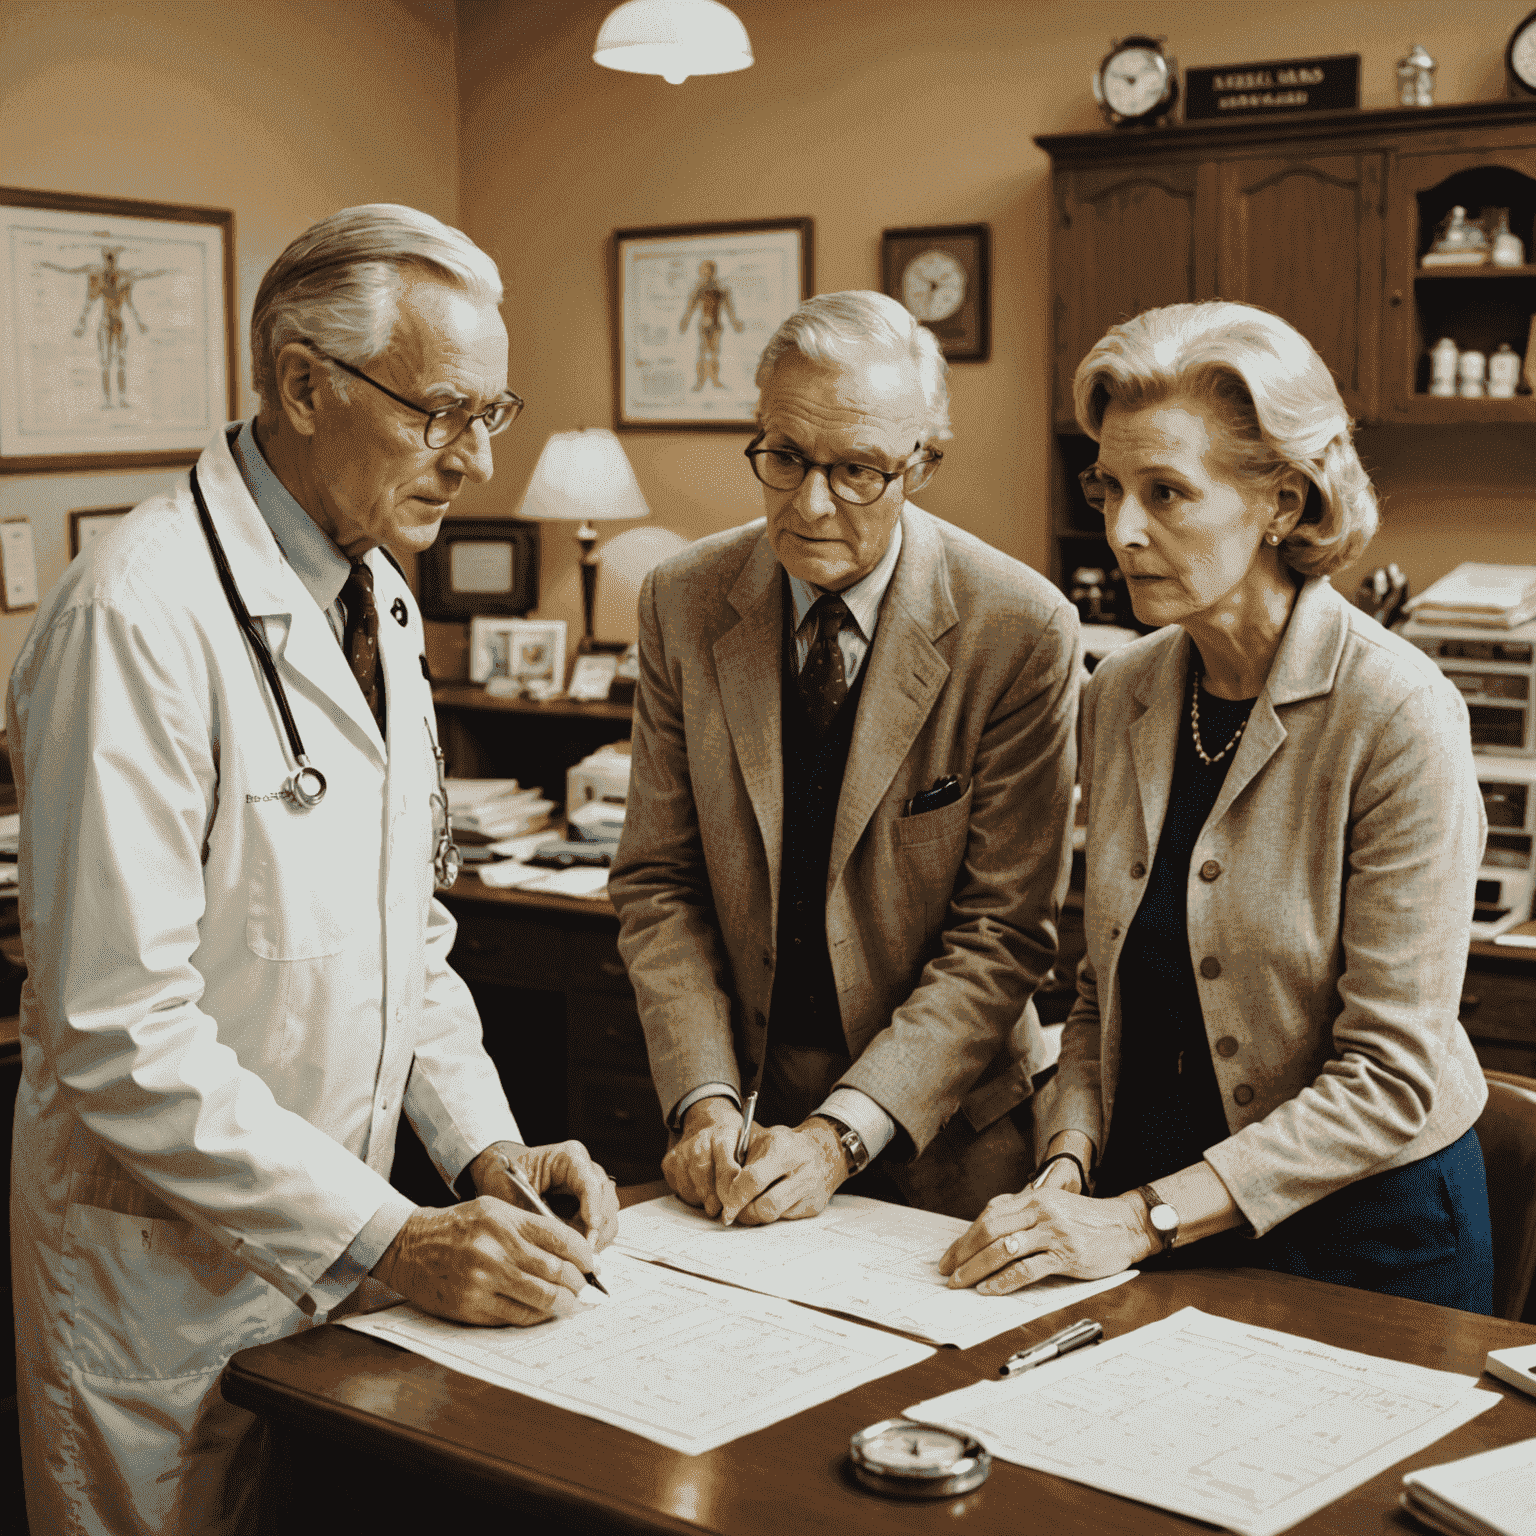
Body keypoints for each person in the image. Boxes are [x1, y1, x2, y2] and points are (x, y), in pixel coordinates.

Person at [9, 204, 621, 1536]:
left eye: (491, 413)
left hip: (317, 1261)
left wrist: (486, 1150)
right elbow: (118, 1035)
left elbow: (409, 934)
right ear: (301, 384)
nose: (472, 459)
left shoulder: (377, 593)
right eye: (439, 413)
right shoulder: (137, 614)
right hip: (156, 1280)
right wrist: (394, 1237)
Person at [940, 301, 1493, 1312]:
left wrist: (1139, 1217)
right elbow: (1103, 998)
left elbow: (1387, 1077)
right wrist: (1065, 1166)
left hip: (1368, 1249)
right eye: (1109, 488)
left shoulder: (1401, 714)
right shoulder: (1122, 694)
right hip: (1147, 1222)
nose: (1122, 531)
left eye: (1166, 493)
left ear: (1282, 501)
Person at [609, 290, 1082, 1227]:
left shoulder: (1021, 630)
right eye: (783, 457)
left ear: (923, 465)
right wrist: (703, 1102)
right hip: (746, 1122)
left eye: (857, 469)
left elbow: (1003, 934)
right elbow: (659, 882)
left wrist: (840, 1136)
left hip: (955, 1137)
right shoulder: (681, 601)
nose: (810, 503)